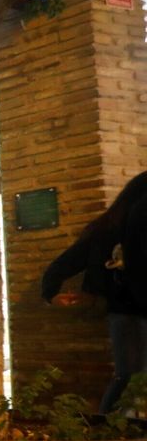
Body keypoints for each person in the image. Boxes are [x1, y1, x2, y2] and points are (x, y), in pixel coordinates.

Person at [42, 171, 147, 412]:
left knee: (129, 378)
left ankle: (109, 431)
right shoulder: (109, 231)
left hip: (125, 313)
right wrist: (51, 293)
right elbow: (62, 265)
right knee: (130, 379)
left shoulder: (107, 229)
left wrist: (51, 292)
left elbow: (62, 265)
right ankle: (108, 432)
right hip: (129, 314)